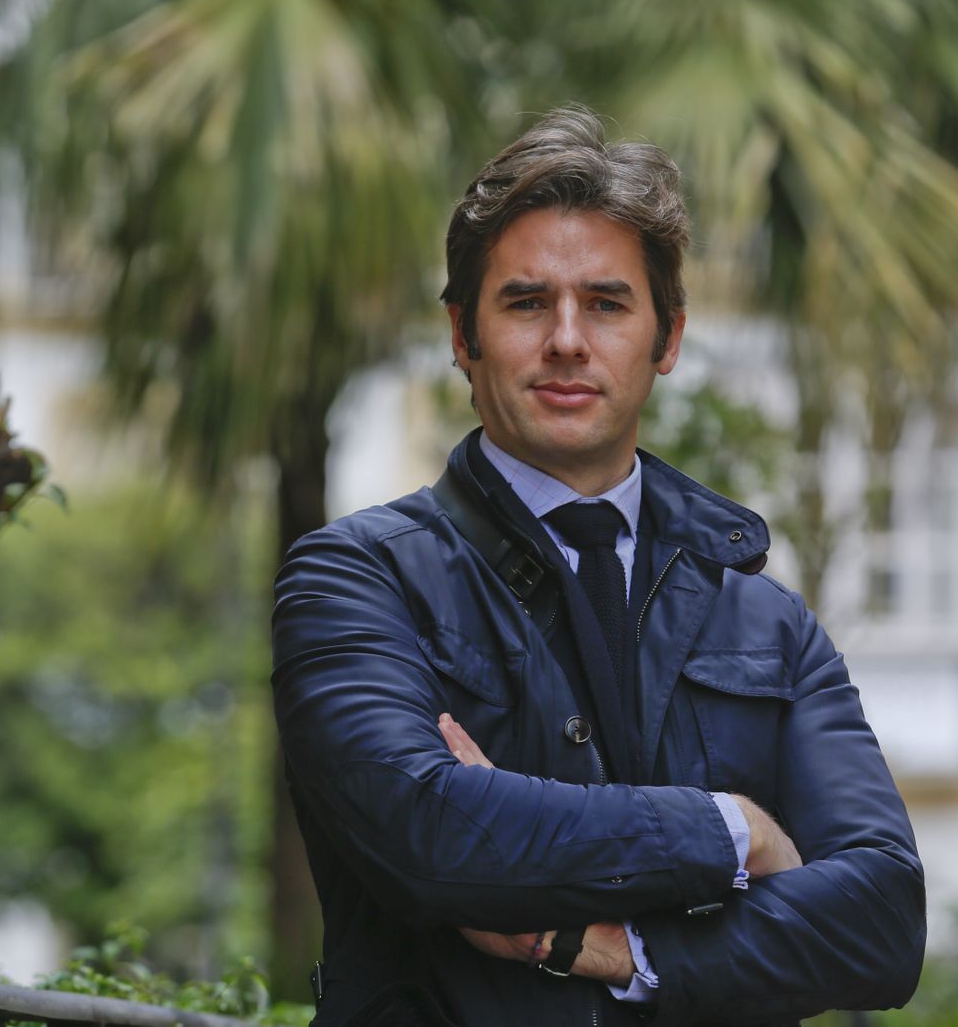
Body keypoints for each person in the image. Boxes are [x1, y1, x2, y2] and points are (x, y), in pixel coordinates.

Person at [271, 105, 925, 1027]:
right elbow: (428, 838)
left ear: (668, 339)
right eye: (527, 301)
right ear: (464, 336)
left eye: (608, 303)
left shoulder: (768, 626)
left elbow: (885, 922)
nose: (568, 339)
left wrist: (615, 950)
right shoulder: (357, 581)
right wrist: (733, 830)